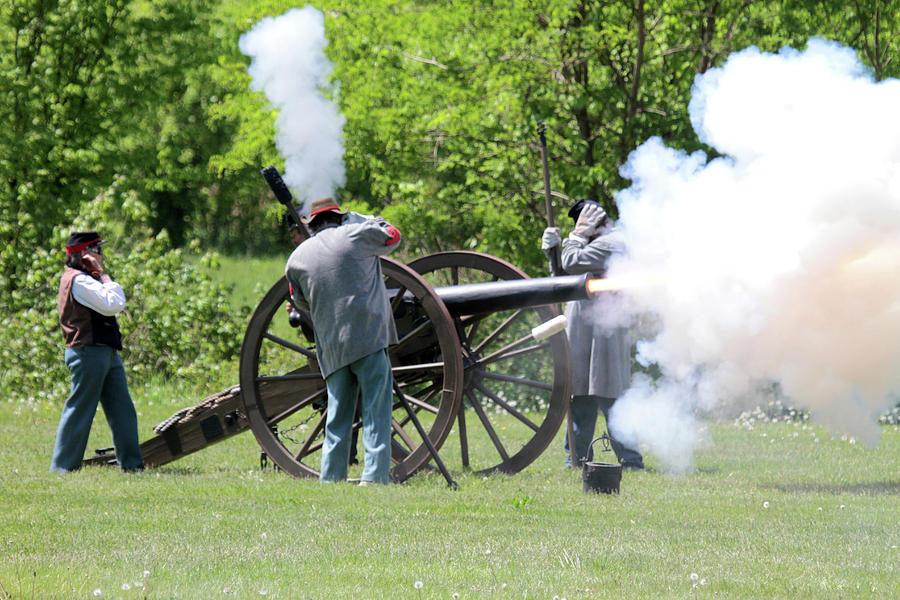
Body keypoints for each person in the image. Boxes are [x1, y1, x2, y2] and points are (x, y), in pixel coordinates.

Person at [285, 198, 402, 484]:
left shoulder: (296, 259)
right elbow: (393, 235)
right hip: (368, 338)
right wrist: (361, 217)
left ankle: (331, 479)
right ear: (339, 217)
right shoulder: (356, 234)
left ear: (311, 225)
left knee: (337, 417)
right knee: (376, 410)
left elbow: (301, 302)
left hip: (332, 347)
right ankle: (373, 478)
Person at [542, 200, 644, 469]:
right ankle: (576, 457)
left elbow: (574, 262)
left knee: (611, 395)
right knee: (580, 395)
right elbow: (564, 278)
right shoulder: (592, 244)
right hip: (583, 326)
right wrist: (553, 250)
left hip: (605, 329)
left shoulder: (612, 243)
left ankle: (630, 460)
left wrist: (573, 239)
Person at [51, 232, 144, 473]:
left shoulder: (84, 278)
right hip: (88, 353)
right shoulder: (80, 280)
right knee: (80, 411)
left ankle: (133, 466)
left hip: (105, 352)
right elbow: (114, 303)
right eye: (98, 250)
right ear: (86, 254)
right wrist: (103, 274)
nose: (102, 255)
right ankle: (62, 468)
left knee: (122, 409)